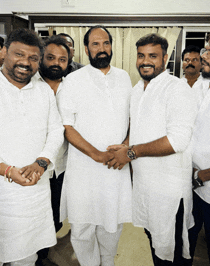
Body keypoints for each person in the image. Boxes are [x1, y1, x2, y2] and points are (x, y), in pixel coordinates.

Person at [107, 33, 197, 265]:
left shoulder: (177, 89)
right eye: (141, 56)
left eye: (153, 56)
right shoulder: (137, 90)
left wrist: (130, 152)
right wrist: (126, 144)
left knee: (171, 251)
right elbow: (138, 127)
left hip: (169, 191)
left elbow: (177, 141)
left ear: (165, 58)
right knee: (155, 244)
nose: (145, 61)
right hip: (145, 187)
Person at [57, 25, 132, 266]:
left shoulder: (124, 77)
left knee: (112, 222)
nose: (102, 49)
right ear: (86, 50)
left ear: (111, 46)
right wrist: (97, 155)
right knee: (82, 226)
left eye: (106, 43)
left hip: (116, 167)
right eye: (95, 44)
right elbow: (67, 127)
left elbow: (132, 118)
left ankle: (107, 262)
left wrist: (126, 147)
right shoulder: (72, 80)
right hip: (84, 168)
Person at [0, 28, 64, 266]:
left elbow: (56, 131)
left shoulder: (43, 91)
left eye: (33, 58)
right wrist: (7, 170)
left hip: (35, 191)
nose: (25, 62)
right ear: (4, 52)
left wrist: (41, 162)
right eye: (18, 54)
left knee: (27, 257)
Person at [36, 35, 70, 265]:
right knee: (35, 217)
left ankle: (43, 255)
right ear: (41, 59)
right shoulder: (29, 85)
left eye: (62, 59)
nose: (56, 63)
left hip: (63, 165)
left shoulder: (73, 87)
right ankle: (34, 258)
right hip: (34, 166)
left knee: (56, 217)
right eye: (50, 58)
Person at [188, 47, 210, 265]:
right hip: (194, 186)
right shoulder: (202, 85)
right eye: (206, 49)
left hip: (205, 182)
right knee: (188, 239)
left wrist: (203, 175)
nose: (204, 55)